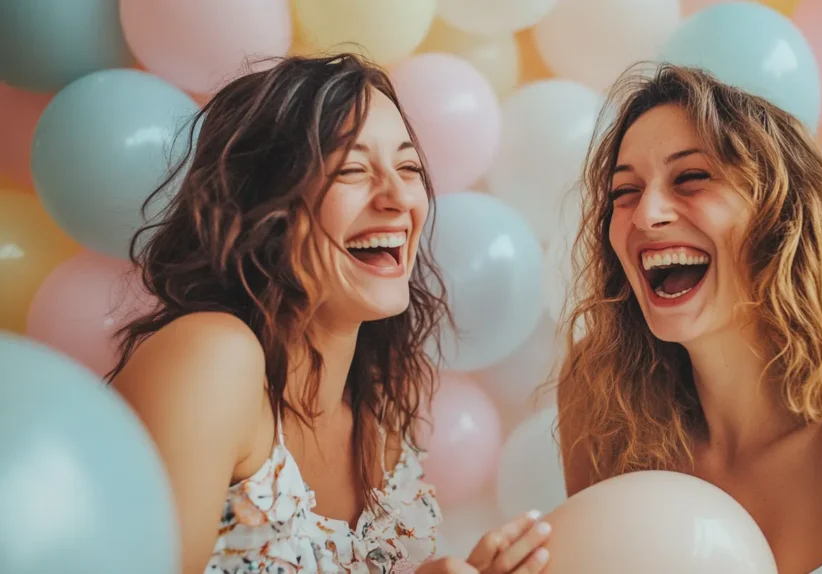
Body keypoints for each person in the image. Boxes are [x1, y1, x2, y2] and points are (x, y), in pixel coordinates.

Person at [109, 54, 551, 574]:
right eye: (352, 168)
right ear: (263, 204)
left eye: (408, 167)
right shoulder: (211, 357)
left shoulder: (382, 413)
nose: (397, 198)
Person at [556, 64, 822, 573]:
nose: (647, 213)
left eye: (692, 178)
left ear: (780, 221)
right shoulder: (604, 407)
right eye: (623, 192)